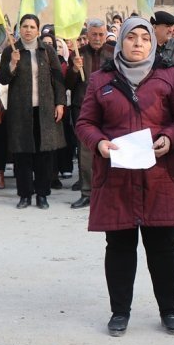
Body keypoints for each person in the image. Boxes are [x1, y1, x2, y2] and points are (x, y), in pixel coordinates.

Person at [75, 16, 174, 337]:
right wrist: (98, 143)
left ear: (153, 43)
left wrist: (170, 136)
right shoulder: (101, 80)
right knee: (119, 246)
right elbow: (84, 123)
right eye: (131, 38)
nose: (138, 43)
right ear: (121, 42)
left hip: (159, 175)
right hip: (116, 176)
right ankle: (119, 312)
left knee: (162, 247)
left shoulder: (168, 75)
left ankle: (169, 310)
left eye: (144, 38)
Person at [0, 14, 66, 209]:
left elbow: (58, 79)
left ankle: (42, 194)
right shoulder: (10, 51)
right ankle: (25, 194)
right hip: (20, 111)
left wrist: (60, 103)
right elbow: (3, 79)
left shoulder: (47, 51)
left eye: (32, 26)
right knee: (23, 155)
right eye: (24, 26)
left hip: (45, 110)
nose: (28, 30)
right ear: (20, 29)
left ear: (38, 30)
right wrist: (12, 64)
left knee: (44, 155)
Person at [66, 18, 113, 209]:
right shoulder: (78, 55)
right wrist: (74, 70)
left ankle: (109, 192)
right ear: (87, 35)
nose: (98, 38)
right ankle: (87, 192)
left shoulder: (114, 54)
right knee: (85, 151)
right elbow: (68, 84)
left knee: (110, 149)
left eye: (101, 34)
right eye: (94, 34)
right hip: (83, 108)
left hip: (109, 108)